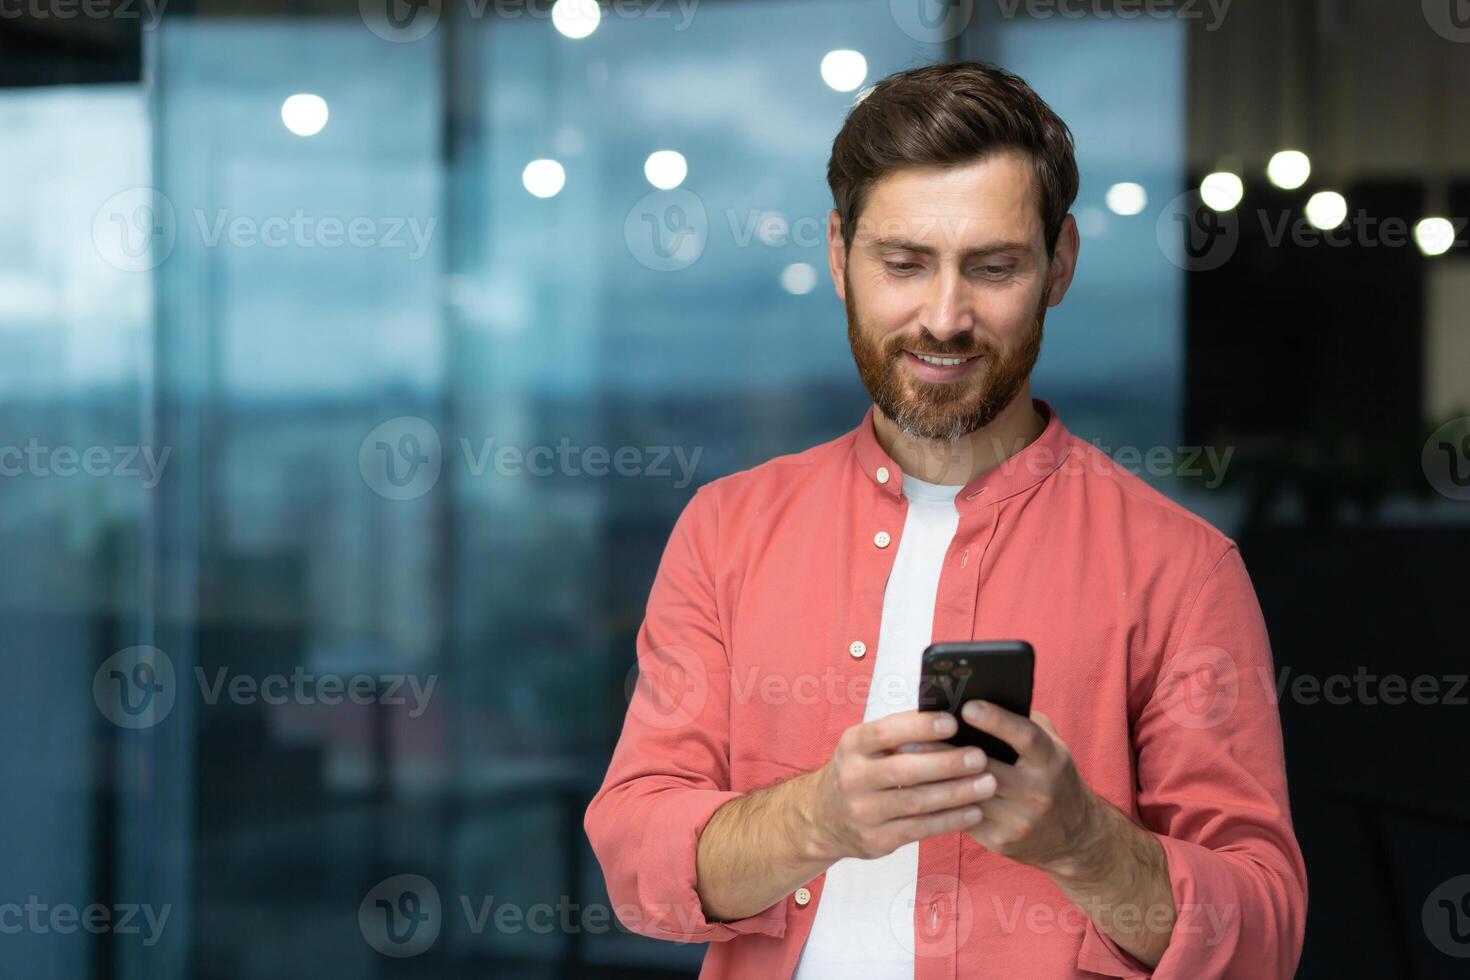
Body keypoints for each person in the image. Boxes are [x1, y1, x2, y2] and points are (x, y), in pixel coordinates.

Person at [584, 60, 1307, 979]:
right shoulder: (724, 531)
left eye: (994, 266)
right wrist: (818, 817)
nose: (945, 316)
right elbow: (634, 864)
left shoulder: (1184, 568)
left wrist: (1084, 840)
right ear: (840, 255)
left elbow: (1268, 936)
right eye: (905, 262)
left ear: (1061, 265)